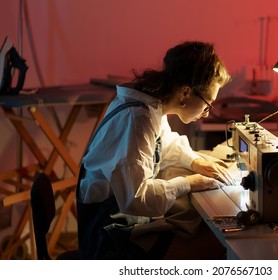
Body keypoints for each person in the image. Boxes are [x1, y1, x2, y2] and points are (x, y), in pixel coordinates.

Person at [76, 41, 233, 259]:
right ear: (186, 92)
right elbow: (137, 198)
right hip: (109, 239)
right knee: (215, 243)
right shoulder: (137, 120)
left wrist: (195, 162)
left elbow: (164, 144)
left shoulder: (150, 106)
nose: (207, 112)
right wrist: (188, 183)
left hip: (120, 220)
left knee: (195, 223)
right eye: (208, 103)